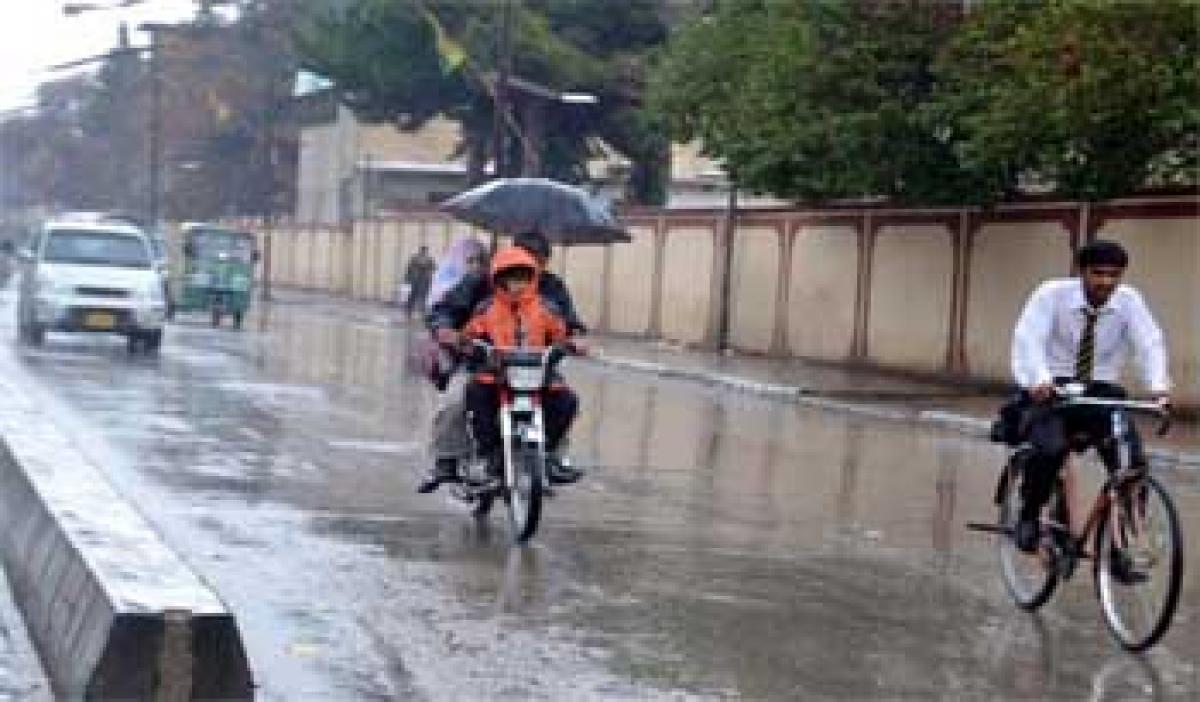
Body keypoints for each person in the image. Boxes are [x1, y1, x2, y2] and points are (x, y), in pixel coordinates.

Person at [1009, 239, 1171, 553]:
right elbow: (1028, 340)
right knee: (1049, 449)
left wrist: (1159, 388)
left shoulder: (1129, 301)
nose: (1106, 282)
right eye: (1098, 273)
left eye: (1114, 275)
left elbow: (1150, 343)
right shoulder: (1050, 295)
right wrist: (1039, 380)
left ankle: (1123, 541)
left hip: (1101, 390)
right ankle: (1029, 514)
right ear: (1081, 272)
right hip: (1051, 387)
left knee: (1131, 463)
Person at [418, 231, 584, 493]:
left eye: (535, 263)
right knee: (457, 401)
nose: (523, 274)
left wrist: (575, 340)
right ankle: (447, 460)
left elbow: (570, 326)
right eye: (517, 265)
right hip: (482, 363)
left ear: (544, 262)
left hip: (533, 368)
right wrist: (448, 332)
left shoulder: (552, 289)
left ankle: (551, 456)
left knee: (564, 400)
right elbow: (445, 313)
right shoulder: (480, 285)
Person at [460, 247, 579, 478]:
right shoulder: (487, 308)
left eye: (524, 277)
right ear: (500, 279)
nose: (519, 283)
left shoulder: (546, 307)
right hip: (497, 372)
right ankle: (487, 453)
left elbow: (561, 335)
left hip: (537, 372)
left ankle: (548, 451)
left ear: (533, 277)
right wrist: (465, 342)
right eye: (512, 278)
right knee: (475, 393)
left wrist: (571, 344)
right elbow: (471, 333)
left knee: (567, 400)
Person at [402, 245, 436, 319]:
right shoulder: (415, 258)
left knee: (422, 297)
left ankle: (421, 313)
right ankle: (409, 312)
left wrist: (431, 277)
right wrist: (407, 279)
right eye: (424, 250)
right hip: (416, 281)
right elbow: (409, 268)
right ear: (421, 250)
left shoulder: (429, 259)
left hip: (424, 281)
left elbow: (434, 268)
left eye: (425, 251)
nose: (424, 252)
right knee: (413, 297)